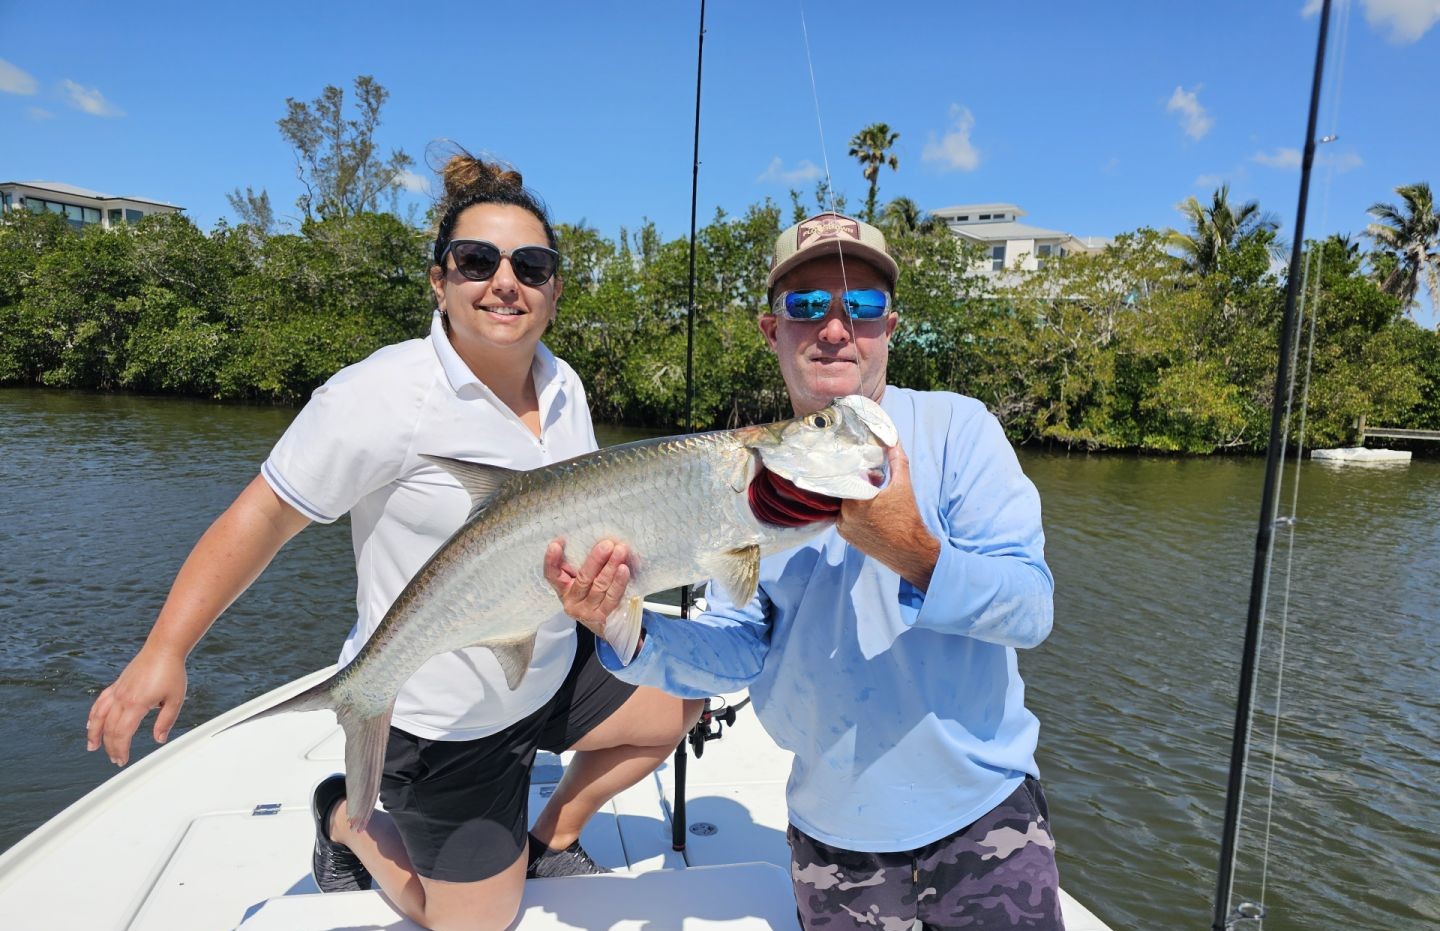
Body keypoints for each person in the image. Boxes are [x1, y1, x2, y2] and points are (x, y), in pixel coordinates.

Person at [86, 154, 702, 931]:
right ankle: (345, 819)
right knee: (473, 923)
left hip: (548, 665)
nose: (505, 282)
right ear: (439, 281)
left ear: (554, 290)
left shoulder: (565, 385)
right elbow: (264, 515)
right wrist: (165, 648)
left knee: (683, 694)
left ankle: (552, 836)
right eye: (477, 261)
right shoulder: (380, 394)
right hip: (443, 714)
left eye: (531, 266)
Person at [547, 212, 1064, 930]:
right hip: (833, 839)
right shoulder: (745, 474)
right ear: (773, 330)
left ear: (890, 327)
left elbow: (1032, 609)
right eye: (807, 304)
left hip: (985, 819)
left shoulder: (960, 429)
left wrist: (913, 550)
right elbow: (737, 650)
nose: (835, 327)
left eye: (863, 305)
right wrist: (623, 628)